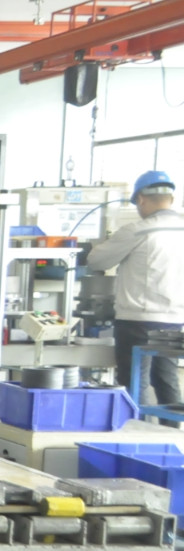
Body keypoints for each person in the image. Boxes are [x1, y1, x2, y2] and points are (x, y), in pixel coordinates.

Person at [85, 170, 182, 406]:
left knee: (134, 381)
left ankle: (137, 426)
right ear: (171, 198)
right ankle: (171, 428)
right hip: (175, 319)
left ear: (140, 199)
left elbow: (96, 261)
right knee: (166, 378)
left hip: (138, 320)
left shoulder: (139, 230)